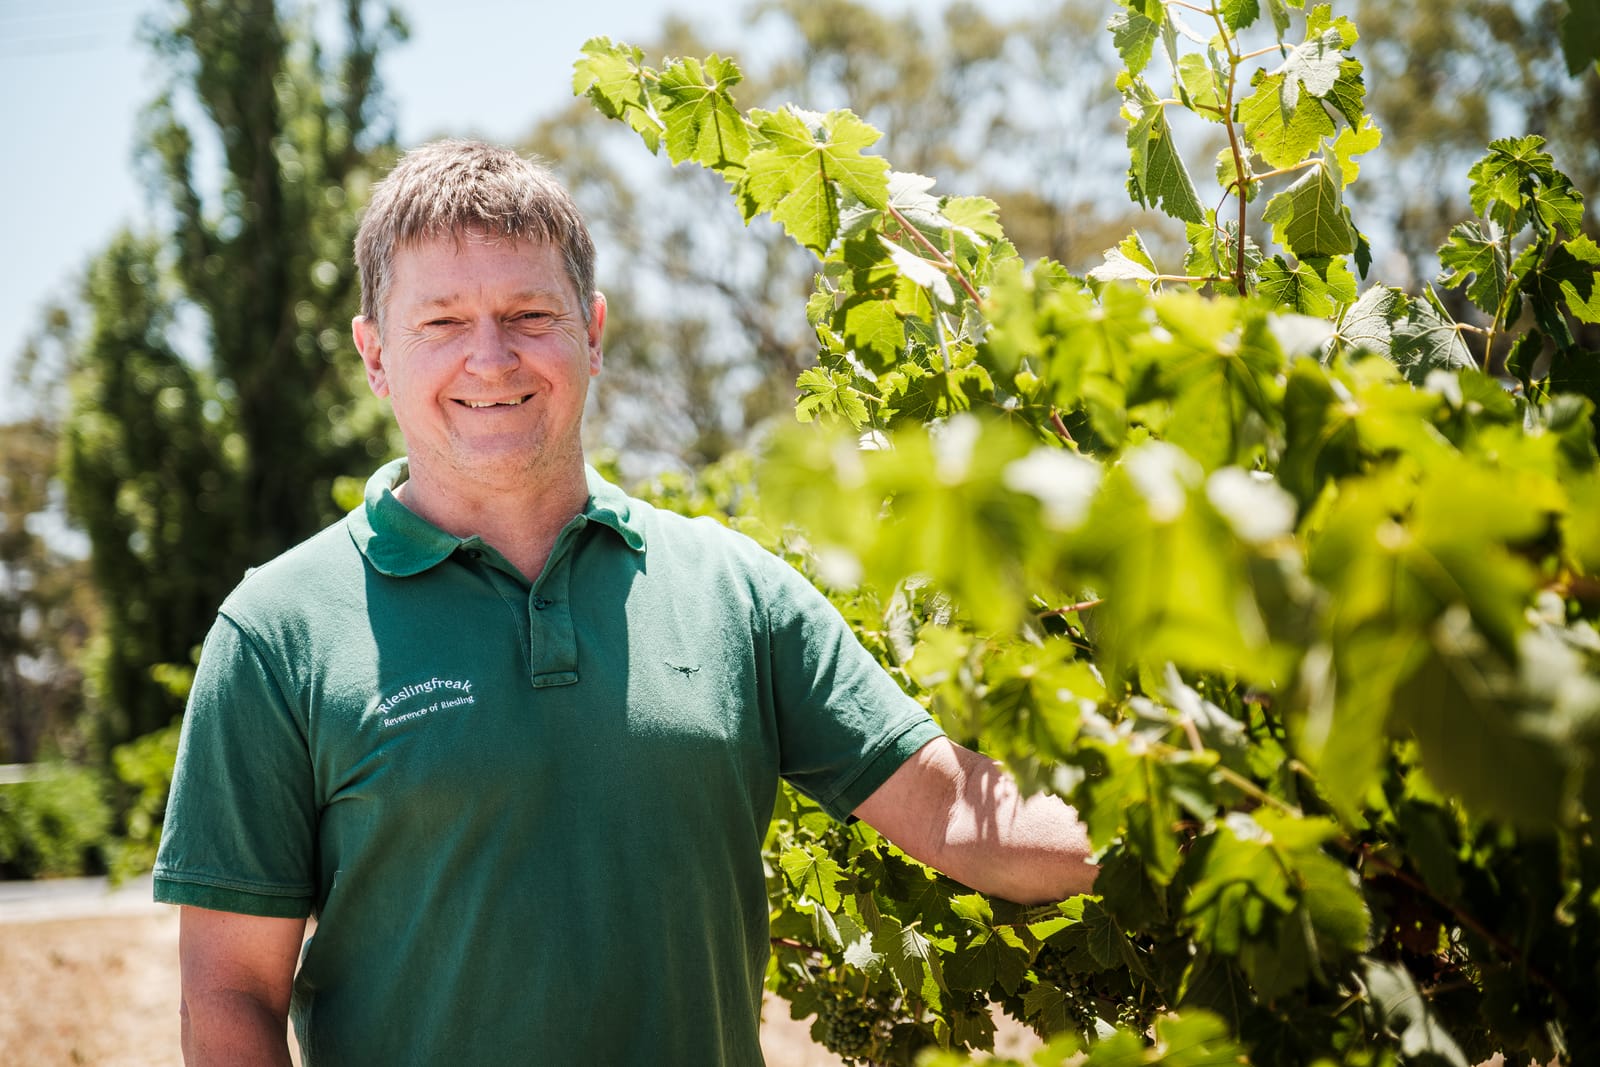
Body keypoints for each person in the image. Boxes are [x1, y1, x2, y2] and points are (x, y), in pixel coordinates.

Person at [154, 139, 1096, 1066]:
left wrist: (1203, 804)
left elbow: (961, 815)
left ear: (592, 333)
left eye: (529, 313)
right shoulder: (277, 631)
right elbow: (230, 993)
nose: (491, 358)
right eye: (441, 322)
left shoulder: (737, 593)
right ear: (375, 355)